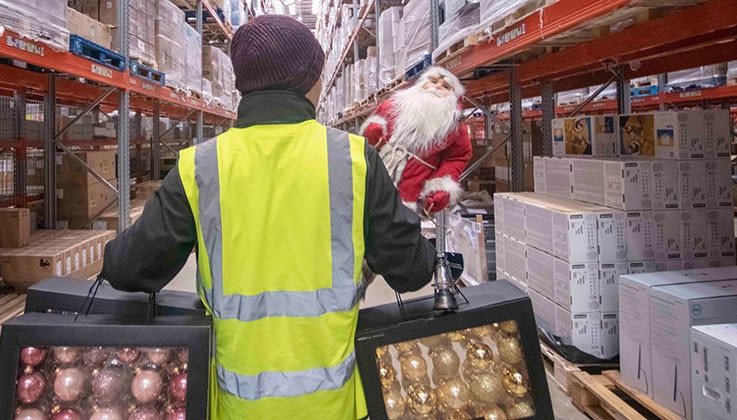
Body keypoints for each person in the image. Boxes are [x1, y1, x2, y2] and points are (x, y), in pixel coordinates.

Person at [99, 15, 436, 420]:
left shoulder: (201, 167)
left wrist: (108, 253)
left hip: (237, 406)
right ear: (310, 80)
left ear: (244, 84)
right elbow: (411, 271)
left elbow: (130, 270)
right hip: (334, 405)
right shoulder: (353, 159)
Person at [360, 66, 473, 215]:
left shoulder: (455, 128)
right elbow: (374, 124)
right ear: (421, 84)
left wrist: (440, 188)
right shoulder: (393, 105)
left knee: (399, 231)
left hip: (411, 194)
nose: (438, 87)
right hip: (376, 179)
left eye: (446, 86)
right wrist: (373, 132)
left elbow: (456, 158)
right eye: (433, 81)